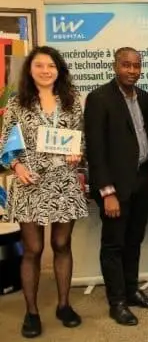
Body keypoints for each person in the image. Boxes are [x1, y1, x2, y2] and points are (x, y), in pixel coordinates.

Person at [0, 46, 87, 338]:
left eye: (51, 65)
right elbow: (5, 143)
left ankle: (64, 305)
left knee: (62, 245)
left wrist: (78, 154)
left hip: (63, 183)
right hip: (30, 183)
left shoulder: (72, 102)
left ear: (59, 69)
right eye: (40, 65)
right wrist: (16, 167)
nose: (46, 70)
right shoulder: (17, 103)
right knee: (34, 250)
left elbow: (81, 139)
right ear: (30, 70)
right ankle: (32, 312)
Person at [84, 47, 148, 326]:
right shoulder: (99, 98)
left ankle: (131, 291)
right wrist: (107, 192)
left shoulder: (144, 97)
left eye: (136, 66)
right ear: (116, 66)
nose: (132, 70)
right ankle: (116, 302)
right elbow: (95, 150)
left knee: (134, 240)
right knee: (114, 245)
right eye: (126, 65)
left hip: (141, 181)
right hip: (114, 187)